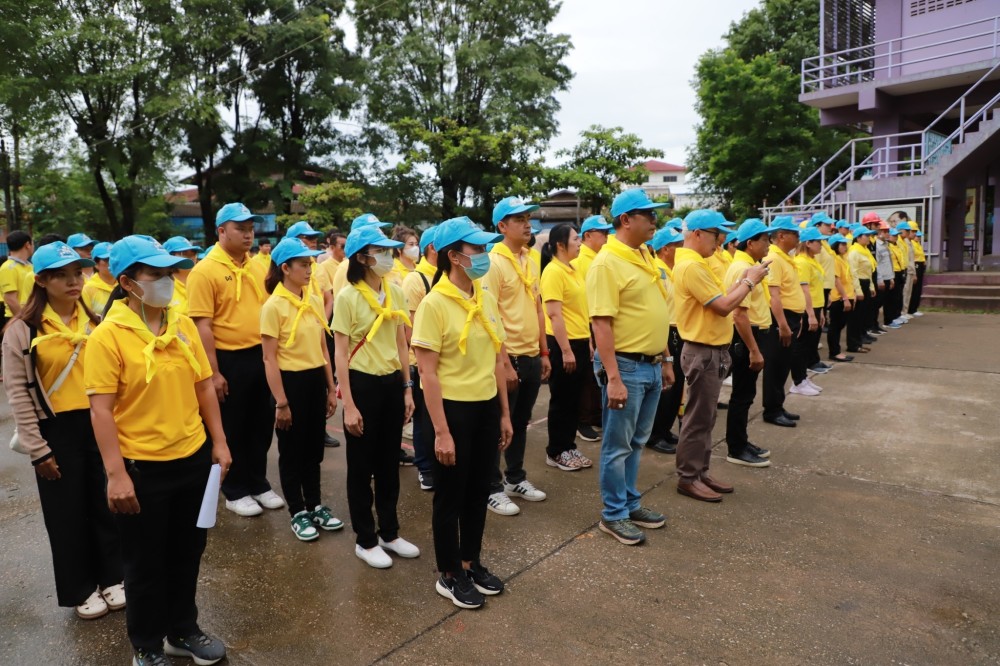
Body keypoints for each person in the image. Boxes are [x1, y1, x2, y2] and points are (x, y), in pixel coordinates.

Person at [86, 235, 231, 666]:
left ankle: (182, 630)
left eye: (170, 272)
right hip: (142, 467)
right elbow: (101, 410)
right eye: (156, 274)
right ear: (128, 283)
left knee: (188, 553)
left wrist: (219, 441)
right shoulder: (108, 336)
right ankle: (147, 646)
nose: (167, 280)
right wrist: (116, 474)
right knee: (144, 564)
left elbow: (203, 385)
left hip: (191, 458)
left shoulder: (180, 324)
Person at [2, 241, 124, 621]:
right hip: (54, 429)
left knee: (105, 503)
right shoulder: (22, 330)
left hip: (98, 422)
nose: (74, 282)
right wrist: (37, 448)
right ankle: (80, 588)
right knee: (66, 514)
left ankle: (112, 576)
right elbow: (18, 392)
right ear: (41, 281)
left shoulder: (95, 321)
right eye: (62, 276)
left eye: (77, 273)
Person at [411, 216, 512, 609]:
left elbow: (496, 360)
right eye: (477, 249)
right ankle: (449, 573)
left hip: (485, 406)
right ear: (454, 256)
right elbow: (428, 374)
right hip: (451, 411)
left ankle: (471, 562)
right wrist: (441, 432)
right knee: (450, 495)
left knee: (478, 490)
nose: (484, 255)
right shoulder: (434, 304)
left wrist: (504, 414)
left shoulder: (483, 296)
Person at [187, 203, 284, 517]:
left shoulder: (257, 266)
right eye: (240, 228)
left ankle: (258, 482)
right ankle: (234, 489)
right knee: (233, 426)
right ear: (221, 231)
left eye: (250, 229)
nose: (248, 234)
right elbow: (202, 325)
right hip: (228, 359)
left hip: (259, 355)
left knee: (261, 424)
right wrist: (213, 372)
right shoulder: (205, 271)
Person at [587, 189, 672, 545]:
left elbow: (655, 310)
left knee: (637, 442)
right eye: (648, 215)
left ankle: (629, 503)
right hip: (625, 366)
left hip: (650, 365)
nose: (655, 220)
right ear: (625, 220)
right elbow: (601, 323)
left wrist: (665, 359)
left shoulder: (643, 254)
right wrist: (614, 378)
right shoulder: (607, 263)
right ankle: (613, 514)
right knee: (618, 445)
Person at [333, 225, 418, 569]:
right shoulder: (348, 297)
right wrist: (349, 406)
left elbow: (401, 343)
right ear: (362, 258)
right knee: (361, 467)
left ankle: (390, 533)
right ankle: (365, 539)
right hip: (362, 385)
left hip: (391, 384)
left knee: (388, 465)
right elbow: (340, 353)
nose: (387, 256)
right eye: (379, 251)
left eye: (388, 250)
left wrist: (407, 387)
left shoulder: (394, 291)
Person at [673, 210, 769, 502]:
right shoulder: (691, 266)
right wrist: (749, 282)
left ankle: (700, 471)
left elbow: (722, 299)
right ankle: (688, 477)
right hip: (701, 350)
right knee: (697, 419)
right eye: (716, 235)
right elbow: (724, 307)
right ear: (698, 234)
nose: (720, 242)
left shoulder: (698, 264)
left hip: (710, 350)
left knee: (706, 417)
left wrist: (745, 281)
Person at [260, 238, 343, 542]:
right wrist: (281, 402)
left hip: (314, 381)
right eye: (304, 265)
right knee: (292, 451)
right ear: (285, 268)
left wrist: (330, 387)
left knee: (313, 448)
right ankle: (297, 511)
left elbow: (322, 346)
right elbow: (269, 358)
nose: (310, 269)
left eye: (311, 264)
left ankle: (315, 505)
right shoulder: (273, 306)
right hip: (289, 383)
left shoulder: (313, 299)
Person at [482, 196, 551, 516]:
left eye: (528, 218)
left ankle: (515, 478)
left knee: (521, 421)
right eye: (519, 219)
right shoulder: (492, 263)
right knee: (499, 423)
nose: (527, 224)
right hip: (508, 357)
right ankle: (492, 487)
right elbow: (491, 315)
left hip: (531, 353)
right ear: (502, 226)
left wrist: (544, 351)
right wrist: (505, 362)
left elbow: (537, 308)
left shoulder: (530, 258)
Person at [539, 223, 593, 471]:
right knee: (561, 399)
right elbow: (554, 315)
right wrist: (566, 350)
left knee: (574, 399)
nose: (580, 243)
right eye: (575, 239)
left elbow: (580, 310)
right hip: (563, 344)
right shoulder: (553, 271)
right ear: (560, 245)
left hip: (579, 341)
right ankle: (556, 451)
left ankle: (568, 446)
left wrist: (588, 341)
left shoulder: (572, 269)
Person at [723, 219, 773, 468]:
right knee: (742, 395)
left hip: (753, 334)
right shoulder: (742, 269)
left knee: (746, 393)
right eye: (764, 240)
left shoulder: (749, 266)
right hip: (746, 336)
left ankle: (741, 441)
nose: (768, 245)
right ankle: (736, 448)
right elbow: (739, 315)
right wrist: (754, 350)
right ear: (750, 243)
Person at [401, 225, 439, 490]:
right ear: (433, 248)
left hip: (446, 361)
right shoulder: (416, 280)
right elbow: (410, 329)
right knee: (424, 420)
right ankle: (425, 467)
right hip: (422, 361)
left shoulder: (446, 276)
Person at [570, 214, 613, 443]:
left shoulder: (600, 258)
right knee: (587, 375)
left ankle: (596, 415)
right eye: (602, 233)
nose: (607, 237)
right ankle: (583, 421)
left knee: (599, 372)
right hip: (586, 323)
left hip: (599, 321)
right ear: (588, 235)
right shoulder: (579, 261)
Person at [762, 216, 806, 428]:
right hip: (782, 318)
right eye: (794, 234)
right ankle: (771, 410)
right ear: (781, 236)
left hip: (791, 317)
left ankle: (778, 406)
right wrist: (782, 324)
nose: (798, 238)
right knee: (776, 365)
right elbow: (774, 296)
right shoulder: (774, 259)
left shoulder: (785, 258)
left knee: (783, 365)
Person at [647, 226, 684, 455]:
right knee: (666, 386)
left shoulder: (674, 270)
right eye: (678, 245)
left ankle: (665, 428)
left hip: (679, 330)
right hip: (666, 331)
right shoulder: (657, 271)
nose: (682, 248)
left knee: (677, 385)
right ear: (665, 249)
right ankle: (655, 434)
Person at [791, 227, 826, 396]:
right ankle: (797, 381)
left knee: (809, 345)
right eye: (818, 241)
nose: (821, 245)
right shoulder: (802, 262)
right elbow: (804, 289)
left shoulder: (812, 260)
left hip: (816, 306)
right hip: (807, 308)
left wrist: (821, 312)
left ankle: (803, 378)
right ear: (808, 243)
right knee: (801, 345)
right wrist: (811, 314)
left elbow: (816, 287)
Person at [847, 225, 878, 353]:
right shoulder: (854, 252)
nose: (869, 238)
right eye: (866, 235)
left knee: (862, 315)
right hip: (858, 283)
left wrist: (871, 286)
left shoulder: (865, 250)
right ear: (858, 238)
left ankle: (859, 341)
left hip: (865, 283)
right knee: (855, 316)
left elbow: (869, 271)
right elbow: (853, 272)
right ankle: (853, 344)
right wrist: (858, 291)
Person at [827, 233, 857, 362]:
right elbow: (836, 280)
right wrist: (845, 298)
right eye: (842, 244)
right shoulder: (834, 260)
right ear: (835, 245)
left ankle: (837, 350)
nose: (845, 246)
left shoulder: (842, 258)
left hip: (847, 295)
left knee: (840, 326)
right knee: (835, 326)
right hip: (839, 298)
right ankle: (834, 352)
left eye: (845, 244)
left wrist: (852, 294)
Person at [163, 237, 202, 316]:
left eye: (193, 253)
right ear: (170, 256)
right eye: (184, 253)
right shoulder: (162, 283)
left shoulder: (202, 278)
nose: (191, 257)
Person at [1, 230, 34, 319]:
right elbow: (10, 299)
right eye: (33, 243)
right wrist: (23, 319)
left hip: (31, 316)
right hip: (16, 317)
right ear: (27, 245)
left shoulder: (31, 266)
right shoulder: (8, 268)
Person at [872, 217, 897, 330]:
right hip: (881, 278)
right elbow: (877, 264)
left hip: (887, 277)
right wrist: (880, 279)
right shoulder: (876, 245)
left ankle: (880, 323)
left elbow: (888, 262)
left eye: (888, 231)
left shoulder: (886, 244)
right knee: (876, 303)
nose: (887, 234)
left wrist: (891, 278)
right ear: (879, 232)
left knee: (884, 301)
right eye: (885, 231)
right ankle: (873, 325)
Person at [82, 242, 116, 318]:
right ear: (96, 264)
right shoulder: (88, 289)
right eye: (107, 260)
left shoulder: (125, 285)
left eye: (114, 258)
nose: (112, 263)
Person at [909, 225, 926, 316]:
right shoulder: (911, 243)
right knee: (914, 289)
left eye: (919, 236)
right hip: (915, 266)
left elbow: (921, 255)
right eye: (917, 236)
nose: (918, 238)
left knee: (918, 289)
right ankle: (911, 309)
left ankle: (915, 308)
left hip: (920, 266)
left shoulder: (918, 244)